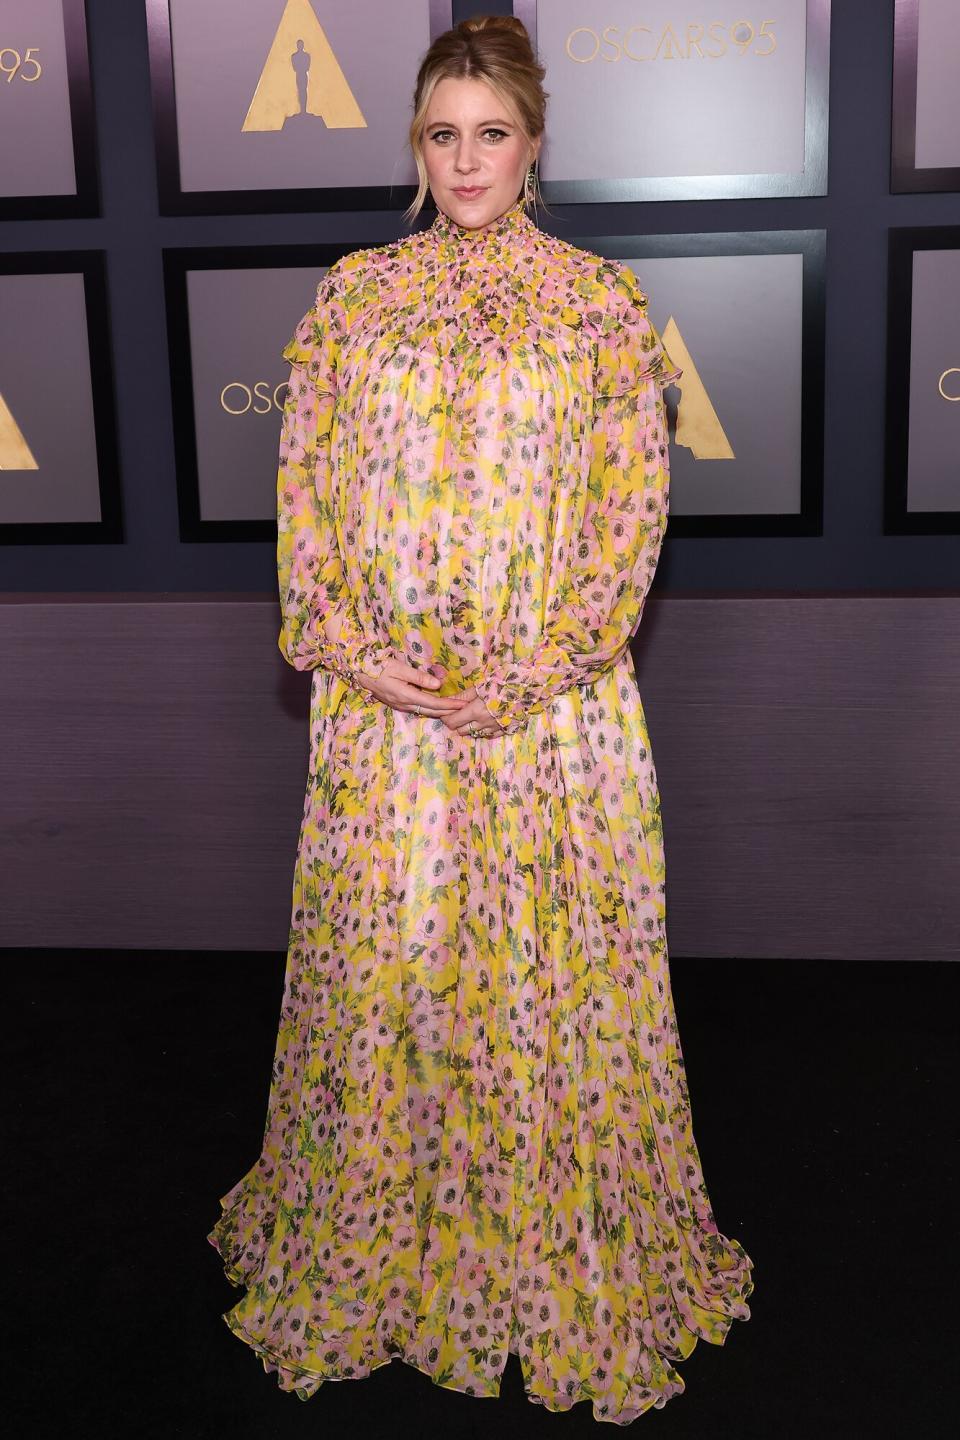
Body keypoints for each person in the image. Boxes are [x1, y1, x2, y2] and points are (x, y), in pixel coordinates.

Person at [207, 14, 754, 1424]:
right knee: (391, 981)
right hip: (384, 728)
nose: (466, 160)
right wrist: (354, 655)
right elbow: (308, 506)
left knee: (542, 989)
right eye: (443, 135)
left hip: (547, 724)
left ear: (533, 143)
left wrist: (534, 673)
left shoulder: (600, 304)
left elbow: (632, 520)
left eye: (491, 134)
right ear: (418, 143)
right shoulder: (353, 297)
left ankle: (549, 1252)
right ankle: (382, 1245)